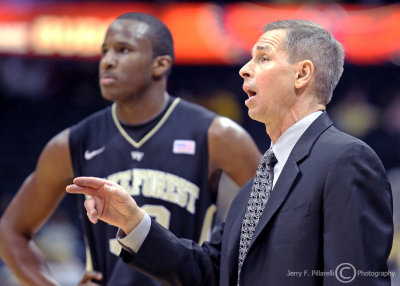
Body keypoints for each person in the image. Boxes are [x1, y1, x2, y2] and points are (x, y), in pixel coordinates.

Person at [66, 19, 394, 286]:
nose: (245, 69)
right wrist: (133, 222)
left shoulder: (346, 159)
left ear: (302, 73)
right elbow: (209, 271)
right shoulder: (256, 185)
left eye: (263, 58)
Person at [0, 12, 262, 286]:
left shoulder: (216, 135)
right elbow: (10, 231)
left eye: (123, 50)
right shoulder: (73, 142)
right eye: (105, 51)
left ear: (160, 65)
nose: (108, 61)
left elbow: (276, 216)